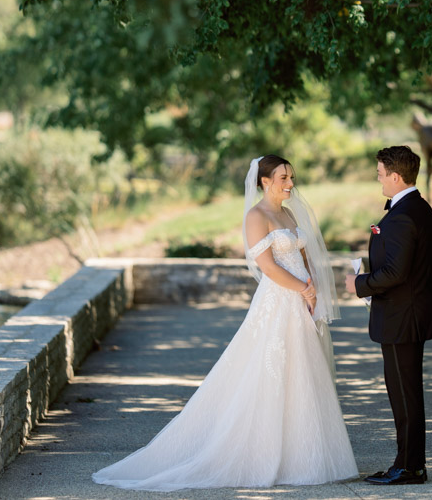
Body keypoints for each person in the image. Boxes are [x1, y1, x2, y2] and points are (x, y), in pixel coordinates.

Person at [93, 155, 358, 490]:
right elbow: (269, 267)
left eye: (291, 177)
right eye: (282, 178)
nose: (290, 183)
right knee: (269, 370)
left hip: (303, 299)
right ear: (264, 181)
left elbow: (303, 254)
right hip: (279, 300)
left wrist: (314, 288)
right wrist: (303, 289)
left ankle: (304, 455)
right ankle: (260, 453)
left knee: (303, 372)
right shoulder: (256, 216)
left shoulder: (289, 212)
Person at [345, 145, 432, 485]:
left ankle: (410, 467)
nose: (379, 180)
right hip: (406, 315)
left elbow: (396, 274)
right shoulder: (419, 209)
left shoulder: (403, 216)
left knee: (405, 395)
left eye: (381, 175)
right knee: (404, 393)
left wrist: (359, 283)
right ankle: (406, 462)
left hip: (403, 318)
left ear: (396, 176)